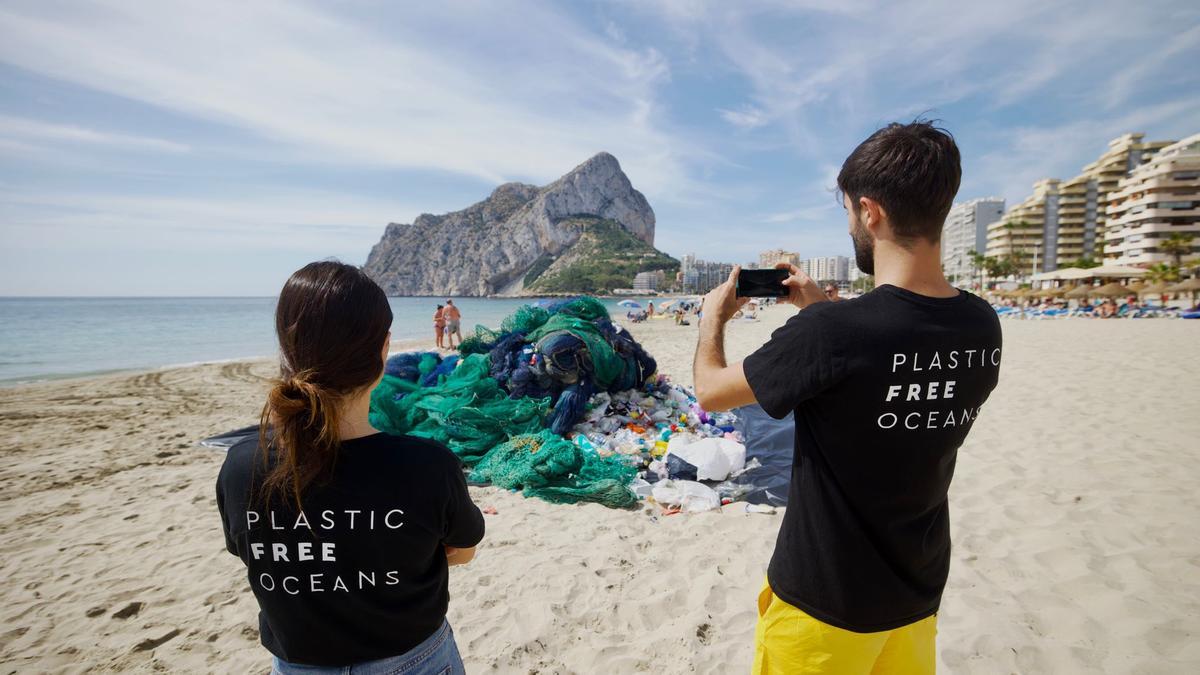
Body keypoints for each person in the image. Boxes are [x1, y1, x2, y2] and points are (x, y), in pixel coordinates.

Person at [692, 120, 1002, 674]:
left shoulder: (835, 333)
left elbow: (712, 393)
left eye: (849, 214)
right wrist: (820, 312)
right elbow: (882, 370)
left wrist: (711, 320)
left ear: (871, 211)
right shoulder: (981, 325)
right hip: (914, 595)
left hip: (823, 605)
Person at [216, 261, 484, 674]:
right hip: (414, 662)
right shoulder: (428, 466)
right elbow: (462, 552)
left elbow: (251, 554)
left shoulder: (240, 468)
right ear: (383, 349)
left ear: (288, 350)